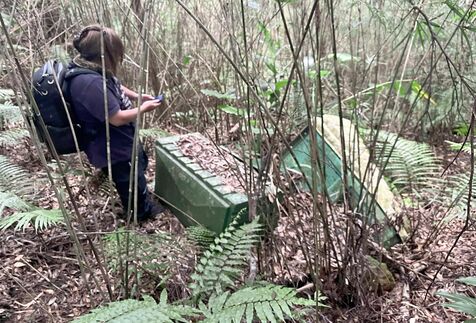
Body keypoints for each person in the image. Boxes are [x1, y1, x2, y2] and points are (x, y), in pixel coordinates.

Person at [68, 24, 164, 222]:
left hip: (122, 140)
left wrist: (138, 96)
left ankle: (141, 200)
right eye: (116, 53)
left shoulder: (93, 69)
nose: (119, 58)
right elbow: (116, 118)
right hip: (113, 145)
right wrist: (144, 109)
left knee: (137, 171)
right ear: (104, 55)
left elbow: (115, 86)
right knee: (129, 181)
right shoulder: (88, 83)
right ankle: (139, 215)